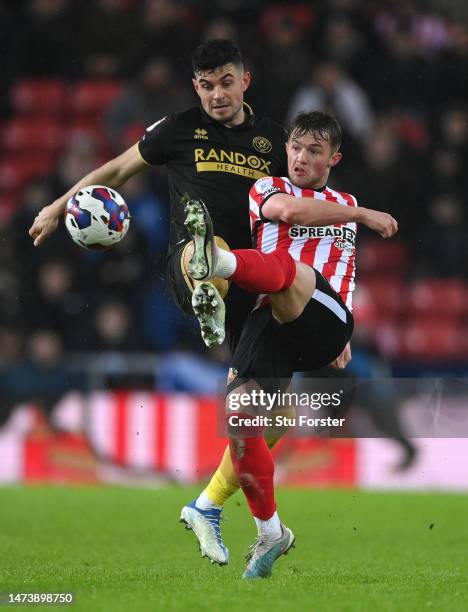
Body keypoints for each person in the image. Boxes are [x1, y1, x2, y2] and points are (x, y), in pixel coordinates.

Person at [28, 39, 288, 562]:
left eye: (226, 82)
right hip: (190, 264)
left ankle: (206, 506)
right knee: (207, 247)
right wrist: (59, 205)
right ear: (196, 87)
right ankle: (205, 293)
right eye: (207, 85)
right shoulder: (178, 130)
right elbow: (118, 171)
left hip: (254, 283)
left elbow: (304, 213)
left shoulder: (274, 141)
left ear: (245, 81)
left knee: (267, 416)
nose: (217, 94)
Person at [181, 111, 398, 578]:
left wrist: (346, 330)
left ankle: (216, 262)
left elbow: (343, 267)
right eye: (296, 148)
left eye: (314, 151)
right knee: (242, 417)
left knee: (289, 269)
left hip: (325, 315)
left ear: (333, 158)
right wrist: (363, 214)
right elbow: (289, 213)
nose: (301, 158)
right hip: (273, 317)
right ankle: (267, 529)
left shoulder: (344, 202)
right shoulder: (266, 190)